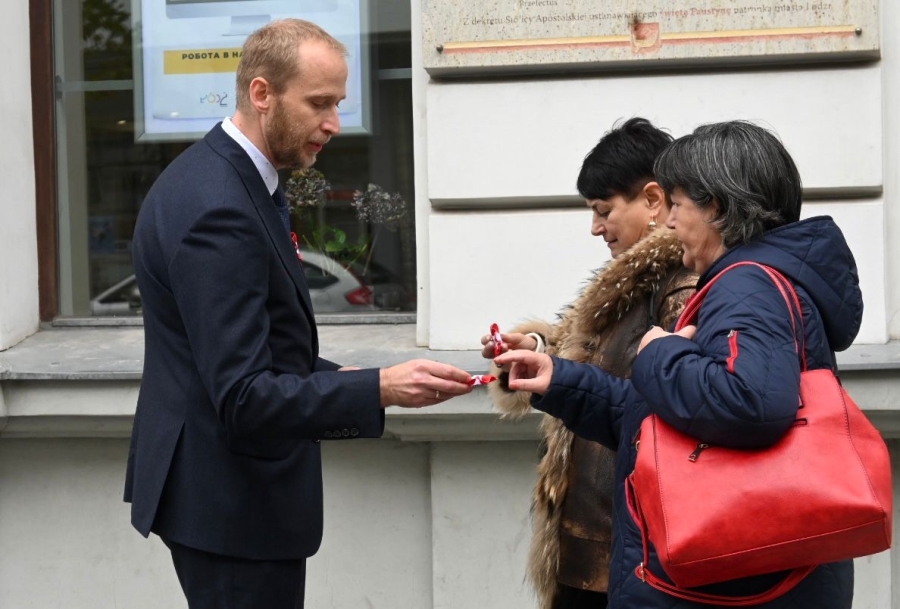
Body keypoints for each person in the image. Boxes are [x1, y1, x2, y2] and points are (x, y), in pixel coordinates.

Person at [123, 18, 473, 609]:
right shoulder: (219, 205)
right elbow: (244, 396)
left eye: (337, 103)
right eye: (319, 103)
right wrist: (379, 388)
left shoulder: (228, 177)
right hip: (232, 511)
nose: (333, 123)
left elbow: (254, 353)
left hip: (225, 501)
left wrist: (349, 380)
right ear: (262, 93)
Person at [494, 120, 860, 608]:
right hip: (742, 581)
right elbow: (662, 418)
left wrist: (660, 352)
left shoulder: (747, 285)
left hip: (723, 586)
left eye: (679, 205)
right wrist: (560, 380)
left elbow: (749, 403)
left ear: (717, 208)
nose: (668, 221)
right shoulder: (746, 281)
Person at [481, 117, 696, 609]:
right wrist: (537, 345)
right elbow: (598, 359)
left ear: (653, 199)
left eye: (603, 210)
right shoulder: (633, 281)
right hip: (599, 536)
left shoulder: (678, 285)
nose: (595, 227)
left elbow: (670, 408)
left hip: (624, 542)